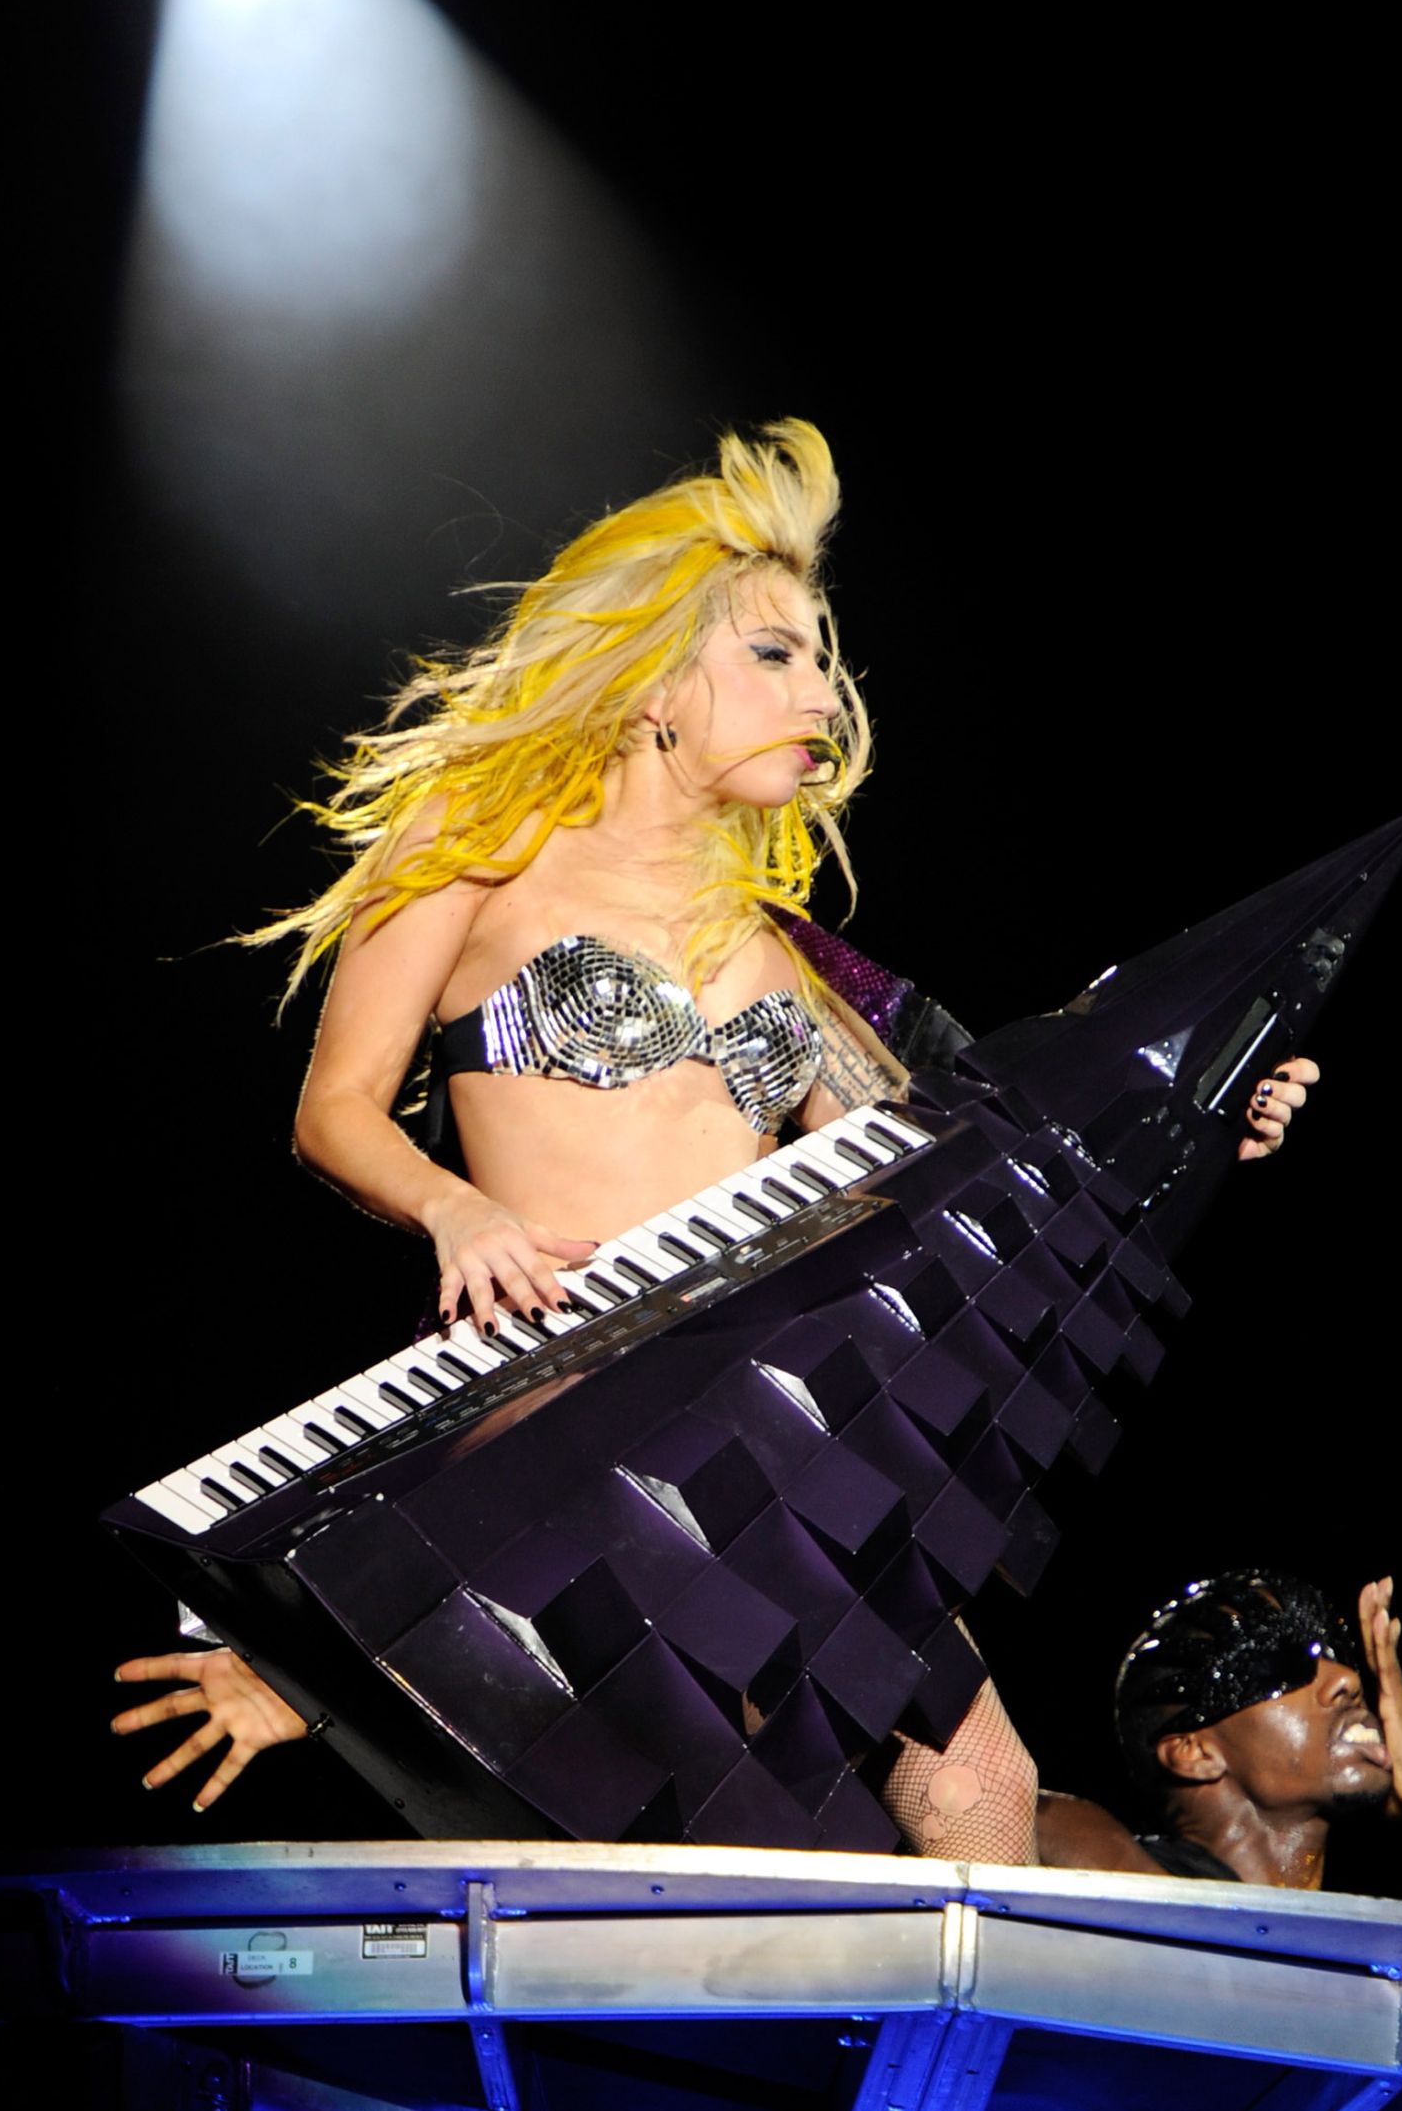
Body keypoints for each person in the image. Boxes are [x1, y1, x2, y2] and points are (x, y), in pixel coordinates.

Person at [111, 423, 1319, 1844]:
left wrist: (1192, 1116)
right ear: (653, 680)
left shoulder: (775, 948)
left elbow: (957, 1148)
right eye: (777, 654)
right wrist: (455, 1208)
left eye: (825, 660)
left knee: (979, 1785)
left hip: (762, 1408)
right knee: (701, 1803)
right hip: (577, 1397)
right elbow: (332, 1110)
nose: (823, 695)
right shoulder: (475, 850)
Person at [1036, 1569, 1402, 1912]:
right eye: (1281, 1665)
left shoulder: (1378, 1954)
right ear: (1194, 1753)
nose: (1347, 1679)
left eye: (1336, 1655)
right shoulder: (1098, 1862)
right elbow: (1008, 1796)